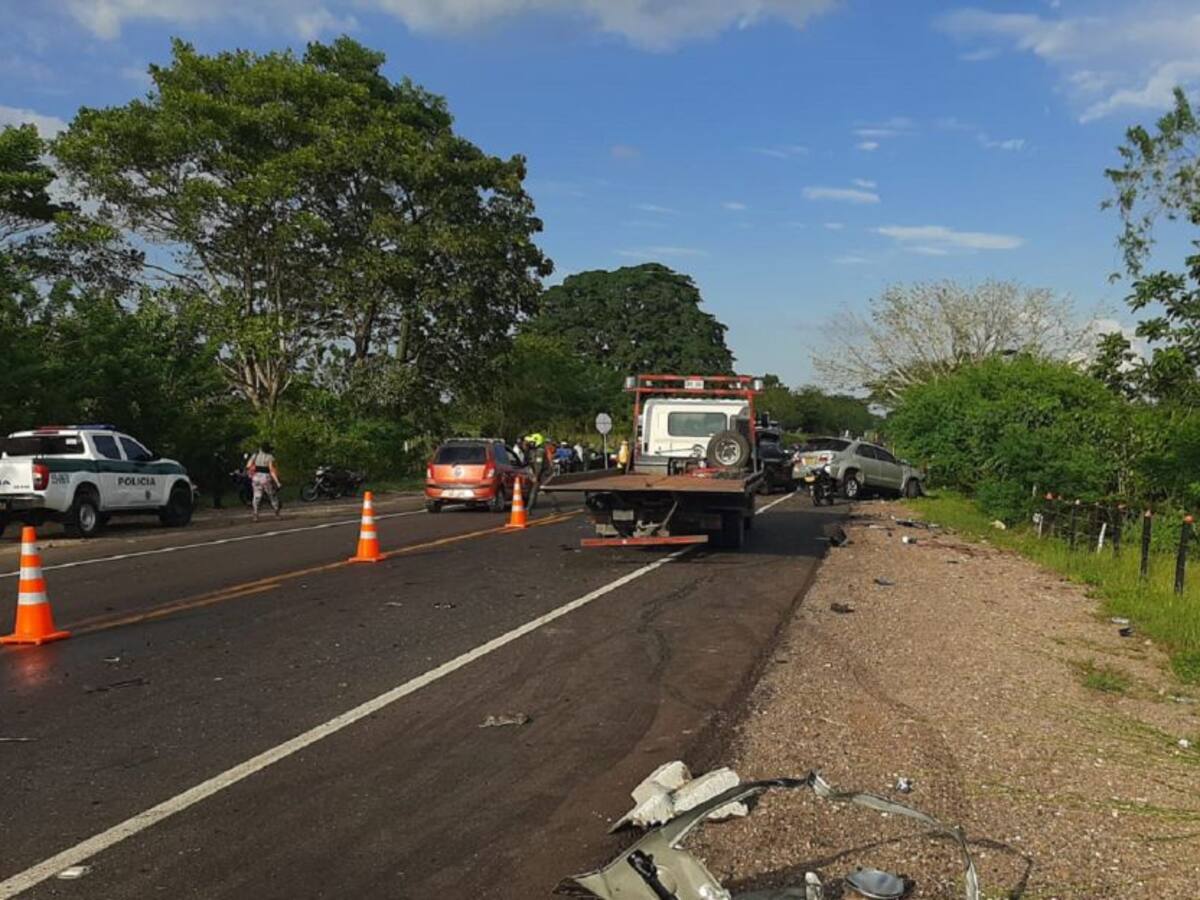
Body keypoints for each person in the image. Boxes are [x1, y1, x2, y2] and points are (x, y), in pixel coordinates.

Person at [247, 441, 282, 521]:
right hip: (266, 477)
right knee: (272, 496)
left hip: (256, 477)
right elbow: (272, 470)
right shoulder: (270, 457)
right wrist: (277, 482)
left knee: (257, 496)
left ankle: (255, 515)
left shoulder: (255, 455)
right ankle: (277, 514)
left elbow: (248, 465)